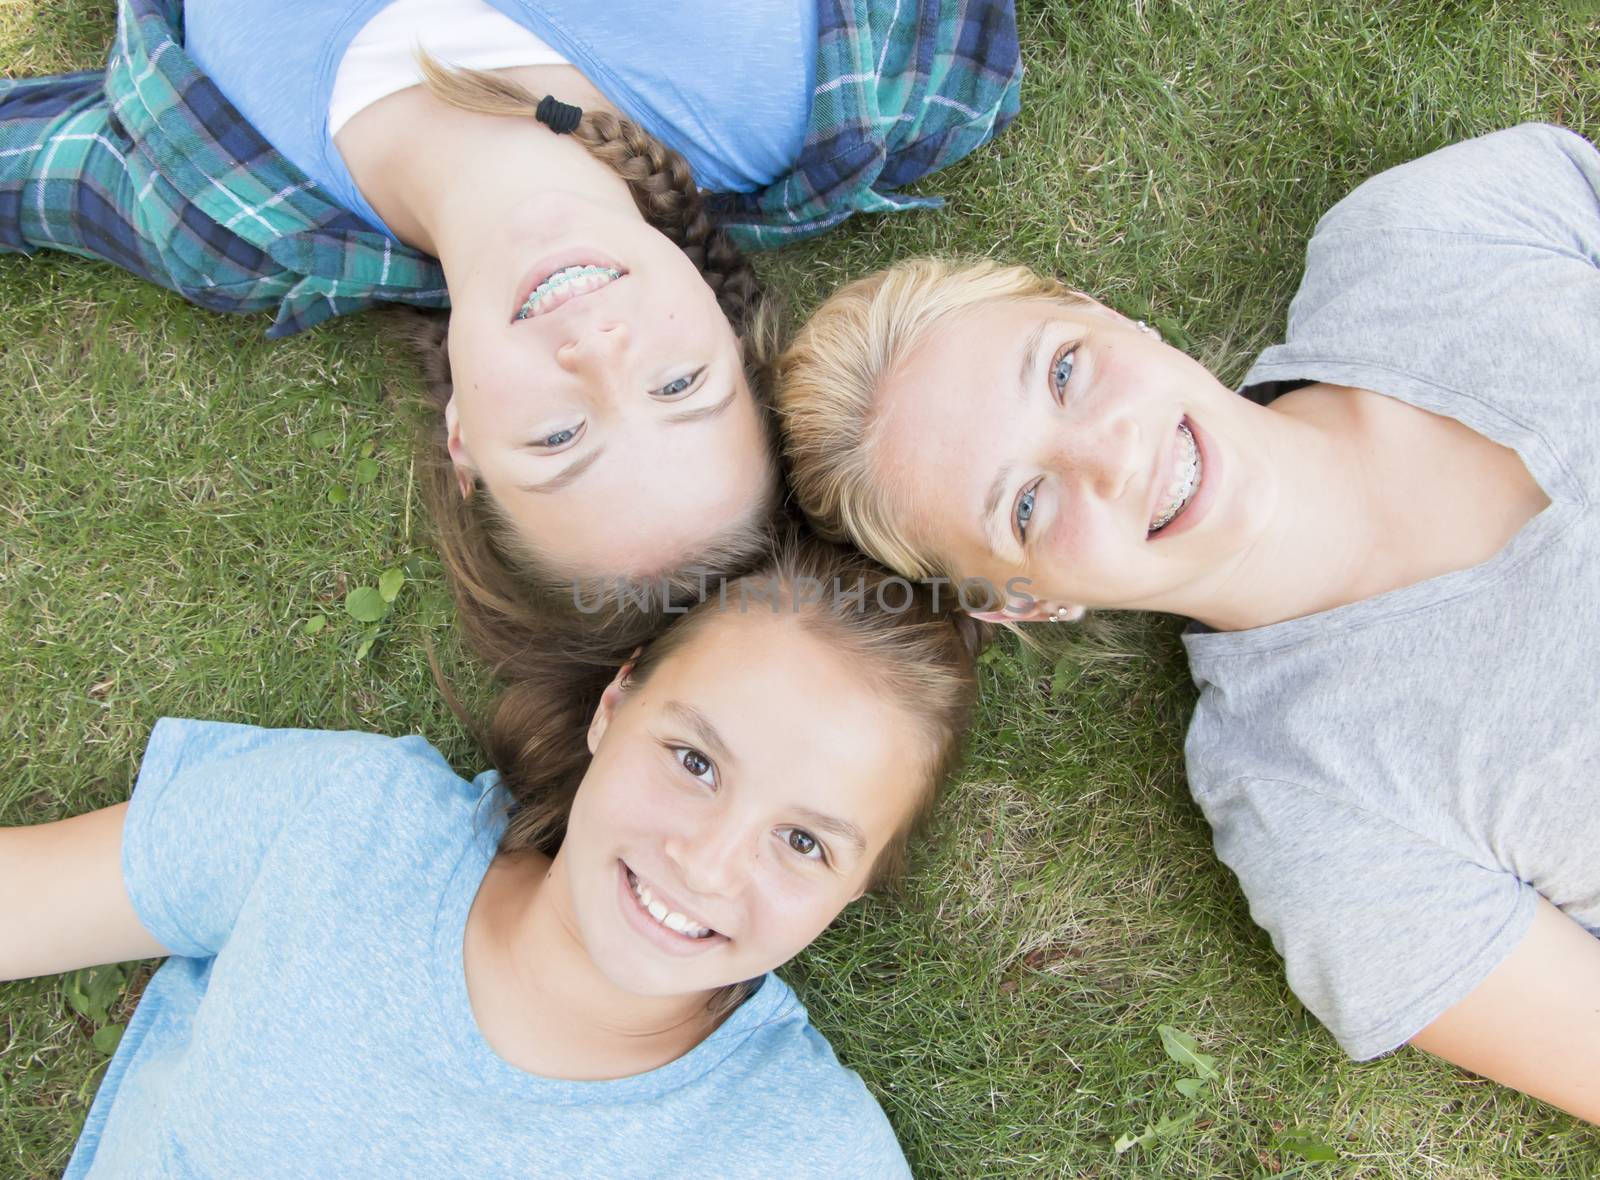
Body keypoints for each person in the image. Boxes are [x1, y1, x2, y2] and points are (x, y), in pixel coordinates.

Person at [771, 124, 1600, 1123]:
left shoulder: (1426, 239)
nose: (1111, 456)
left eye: (1065, 371)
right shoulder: (1319, 822)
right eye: (1025, 504)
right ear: (1026, 601)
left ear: (1110, 316)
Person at [0, 0, 1022, 647]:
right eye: (677, 387)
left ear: (464, 444)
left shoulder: (228, 223)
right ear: (719, 313)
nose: (594, 354)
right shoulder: (798, 82)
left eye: (559, 437)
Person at [0, 531, 987, 1177]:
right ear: (615, 704)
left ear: (854, 890)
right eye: (694, 760)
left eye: (805, 841)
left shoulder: (804, 1153)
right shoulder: (345, 824)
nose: (709, 862)